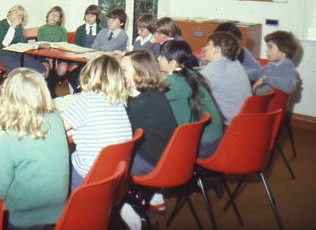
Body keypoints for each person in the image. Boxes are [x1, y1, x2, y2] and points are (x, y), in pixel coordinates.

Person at [0, 69, 69, 229]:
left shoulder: (9, 138)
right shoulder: (56, 118)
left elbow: (2, 190)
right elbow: (37, 148)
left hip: (22, 218)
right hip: (57, 212)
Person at [120, 51, 177, 227]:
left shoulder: (136, 105)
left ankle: (134, 219)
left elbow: (118, 133)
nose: (119, 74)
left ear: (140, 73)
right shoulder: (155, 94)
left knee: (103, 168)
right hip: (170, 160)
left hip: (153, 164)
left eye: (124, 70)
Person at [62, 54, 132, 191]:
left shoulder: (86, 101)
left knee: (57, 164)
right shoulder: (119, 103)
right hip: (113, 176)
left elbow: (57, 129)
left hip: (86, 176)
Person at [158, 40, 223, 159]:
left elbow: (151, 100)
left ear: (172, 63)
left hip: (203, 145)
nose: (158, 59)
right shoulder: (190, 74)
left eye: (162, 56)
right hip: (214, 139)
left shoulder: (175, 82)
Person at [200, 32, 251, 125]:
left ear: (216, 49)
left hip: (227, 125)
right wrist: (204, 64)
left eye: (208, 44)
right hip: (242, 122)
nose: (205, 48)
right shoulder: (234, 63)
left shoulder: (216, 68)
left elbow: (194, 85)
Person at [0, 4, 48, 75]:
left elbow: (23, 42)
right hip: (3, 56)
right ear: (10, 13)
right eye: (16, 12)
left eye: (20, 15)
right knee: (22, 71)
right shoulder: (0, 25)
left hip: (17, 55)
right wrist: (13, 26)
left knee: (41, 69)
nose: (18, 16)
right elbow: (5, 44)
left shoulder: (18, 27)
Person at [247, 30, 300, 95]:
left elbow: (290, 86)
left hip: (263, 102)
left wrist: (265, 79)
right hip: (260, 99)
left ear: (284, 49)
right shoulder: (274, 64)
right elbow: (258, 74)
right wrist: (243, 73)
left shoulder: (288, 67)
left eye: (270, 47)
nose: (266, 51)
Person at [68, 4, 102, 92]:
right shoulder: (80, 29)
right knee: (74, 74)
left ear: (97, 17)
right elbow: (76, 47)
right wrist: (74, 63)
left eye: (92, 15)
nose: (89, 18)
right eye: (87, 15)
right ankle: (77, 92)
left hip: (95, 60)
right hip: (80, 59)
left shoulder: (101, 30)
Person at [37, 6, 69, 98]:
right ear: (48, 15)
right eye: (52, 13)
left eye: (57, 15)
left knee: (62, 69)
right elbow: (41, 45)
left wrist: (55, 59)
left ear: (59, 19)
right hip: (45, 56)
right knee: (46, 69)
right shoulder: (42, 29)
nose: (54, 16)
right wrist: (49, 58)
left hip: (59, 56)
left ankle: (52, 87)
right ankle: (47, 91)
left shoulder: (62, 30)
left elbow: (63, 46)